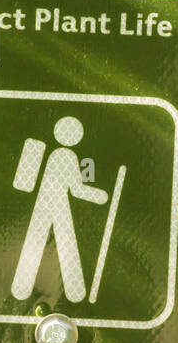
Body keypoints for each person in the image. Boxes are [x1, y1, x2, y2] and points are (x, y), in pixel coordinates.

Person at [11, 116, 107, 302]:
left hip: (48, 203)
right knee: (64, 243)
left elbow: (25, 182)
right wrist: (99, 196)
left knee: (41, 242)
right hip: (54, 204)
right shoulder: (66, 156)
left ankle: (24, 288)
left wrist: (98, 195)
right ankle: (73, 292)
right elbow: (76, 189)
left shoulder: (53, 153)